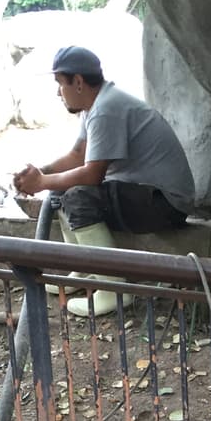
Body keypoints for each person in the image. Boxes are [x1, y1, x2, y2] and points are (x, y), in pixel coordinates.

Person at [13, 46, 195, 318]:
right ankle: (85, 267)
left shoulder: (106, 109)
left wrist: (41, 182)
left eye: (60, 84)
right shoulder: (97, 105)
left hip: (165, 203)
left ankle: (113, 290)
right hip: (148, 195)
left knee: (77, 196)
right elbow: (78, 155)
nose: (58, 93)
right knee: (63, 191)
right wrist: (39, 173)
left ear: (77, 82)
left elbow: (91, 175)